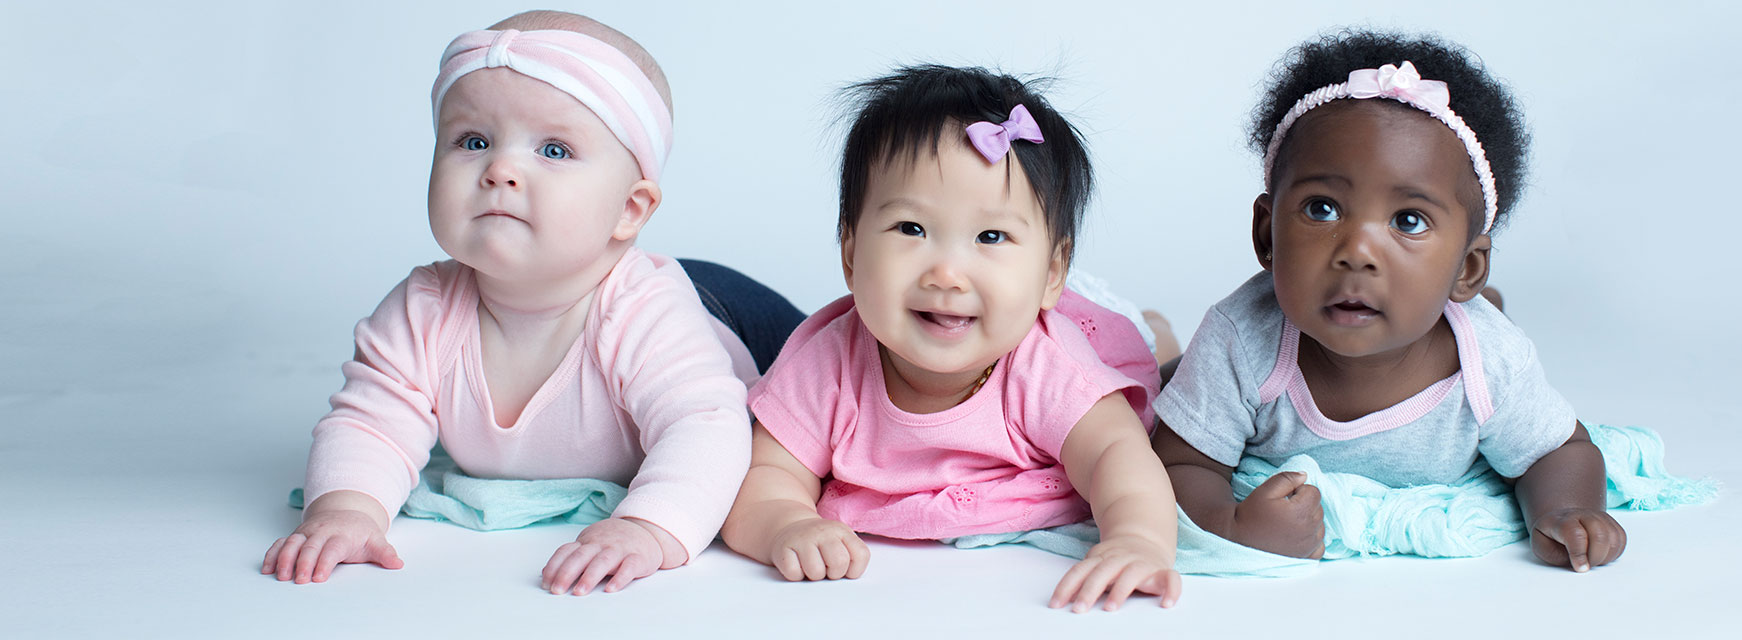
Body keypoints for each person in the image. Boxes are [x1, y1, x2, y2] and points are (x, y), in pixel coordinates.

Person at [260, 10, 804, 595]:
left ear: (630, 210)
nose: (501, 169)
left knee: (830, 384)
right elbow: (372, 421)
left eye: (553, 149)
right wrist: (346, 511)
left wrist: (650, 528)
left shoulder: (644, 311)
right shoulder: (424, 305)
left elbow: (704, 426)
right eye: (473, 141)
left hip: (724, 309)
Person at [1152, 30, 1626, 572]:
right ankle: (1165, 343)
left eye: (1408, 221)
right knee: (1163, 381)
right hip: (1225, 359)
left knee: (1490, 326)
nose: (1357, 252)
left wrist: (1568, 509)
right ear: (1266, 235)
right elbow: (1178, 462)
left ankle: (1487, 301)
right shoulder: (1240, 339)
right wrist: (1231, 526)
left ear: (1465, 268)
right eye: (1322, 209)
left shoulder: (1492, 363)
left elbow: (1558, 450)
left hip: (1470, 323)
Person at [719, 65, 1182, 612]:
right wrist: (787, 524)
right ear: (850, 254)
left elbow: (1115, 454)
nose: (946, 274)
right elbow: (765, 475)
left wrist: (1137, 539)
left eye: (991, 236)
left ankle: (1159, 330)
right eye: (911, 229)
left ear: (1052, 273)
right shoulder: (827, 362)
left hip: (1092, 332)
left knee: (1156, 367)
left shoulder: (1047, 365)